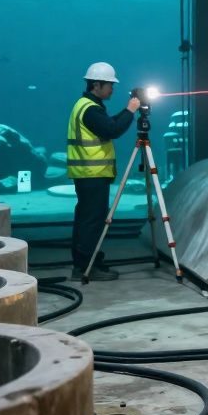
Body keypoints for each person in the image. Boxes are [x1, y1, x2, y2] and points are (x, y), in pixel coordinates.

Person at [66, 62, 139, 281]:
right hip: (92, 175)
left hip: (89, 176)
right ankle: (86, 268)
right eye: (109, 85)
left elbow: (107, 124)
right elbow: (112, 130)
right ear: (96, 85)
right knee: (91, 221)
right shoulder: (89, 109)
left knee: (87, 220)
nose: (112, 89)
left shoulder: (88, 106)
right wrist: (130, 110)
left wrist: (127, 111)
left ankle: (87, 262)